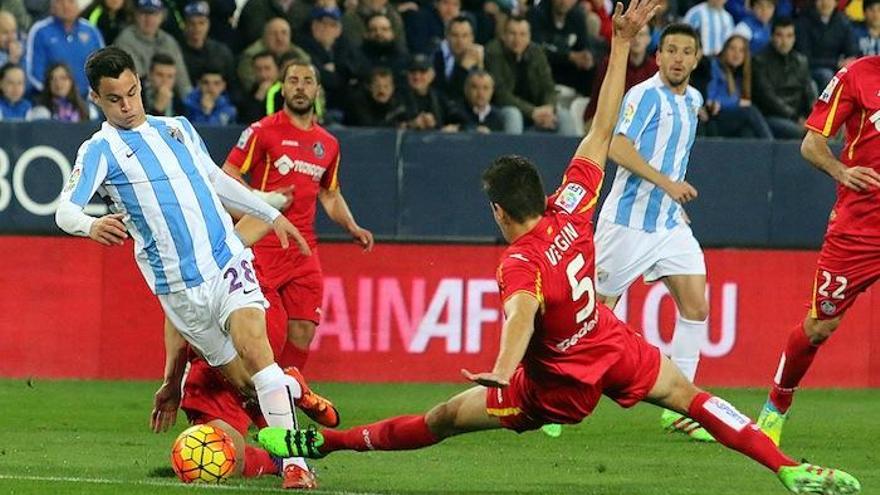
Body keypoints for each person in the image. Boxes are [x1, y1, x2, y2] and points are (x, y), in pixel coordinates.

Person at [256, 5, 861, 494]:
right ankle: (786, 468)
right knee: (694, 399)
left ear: (498, 211)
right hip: (612, 345)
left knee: (442, 421)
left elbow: (521, 313)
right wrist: (621, 45)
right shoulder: (571, 208)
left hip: (552, 388)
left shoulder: (517, 260)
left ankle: (325, 444)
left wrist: (502, 367)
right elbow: (601, 130)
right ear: (541, 195)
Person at [53, 46, 327, 489]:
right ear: (96, 99)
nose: (127, 106)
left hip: (226, 262)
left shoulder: (177, 129)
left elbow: (217, 181)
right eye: (114, 99)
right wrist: (89, 224)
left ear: (140, 84)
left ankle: (296, 467)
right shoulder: (99, 150)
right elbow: (64, 209)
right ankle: (292, 393)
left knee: (256, 351)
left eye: (132, 93)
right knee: (246, 384)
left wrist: (271, 215)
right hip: (180, 291)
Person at [153, 218, 340, 489]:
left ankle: (291, 445)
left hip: (249, 312)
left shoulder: (179, 234)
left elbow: (177, 318)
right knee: (227, 459)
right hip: (257, 314)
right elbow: (260, 215)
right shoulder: (207, 208)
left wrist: (172, 383)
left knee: (251, 386)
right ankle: (287, 401)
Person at [594, 23, 714, 441]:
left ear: (696, 59)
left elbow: (675, 158)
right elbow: (616, 147)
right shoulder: (643, 96)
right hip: (625, 224)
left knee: (696, 306)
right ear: (658, 57)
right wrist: (668, 185)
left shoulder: (694, 100)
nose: (679, 58)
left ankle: (681, 409)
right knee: (591, 317)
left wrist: (673, 205)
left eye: (687, 51)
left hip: (667, 225)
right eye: (671, 51)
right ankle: (552, 392)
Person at [756, 56, 880, 449]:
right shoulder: (857, 75)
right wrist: (841, 171)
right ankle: (776, 406)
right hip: (859, 230)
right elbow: (812, 144)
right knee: (819, 327)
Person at [223, 60, 374, 375]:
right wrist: (261, 200)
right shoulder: (262, 132)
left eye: (308, 80)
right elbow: (229, 174)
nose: (301, 87)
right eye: (293, 80)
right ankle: (258, 397)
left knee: (304, 328)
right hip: (263, 244)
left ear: (317, 89)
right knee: (270, 332)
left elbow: (329, 194)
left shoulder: (328, 144)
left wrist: (352, 226)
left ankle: (286, 399)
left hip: (304, 249)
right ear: (282, 88)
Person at [752, 17, 816, 140]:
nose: (784, 41)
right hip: (772, 116)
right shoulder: (759, 61)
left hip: (799, 116)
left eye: (789, 36)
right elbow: (768, 98)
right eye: (780, 35)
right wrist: (796, 117)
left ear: (794, 38)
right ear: (772, 37)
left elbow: (809, 92)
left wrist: (814, 118)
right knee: (798, 132)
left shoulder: (801, 61)